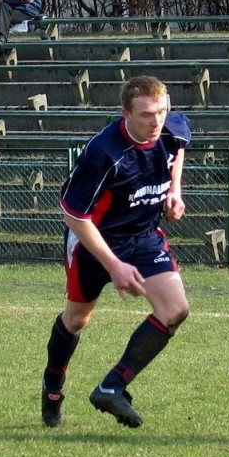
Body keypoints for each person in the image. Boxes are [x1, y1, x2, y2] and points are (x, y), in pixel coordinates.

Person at [41, 75, 191, 428]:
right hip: (95, 243)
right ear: (125, 113)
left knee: (175, 310)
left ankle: (112, 387)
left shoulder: (172, 129)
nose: (156, 122)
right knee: (77, 320)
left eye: (162, 111)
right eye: (146, 115)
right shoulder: (104, 152)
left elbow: (179, 147)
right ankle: (52, 387)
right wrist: (114, 266)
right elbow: (74, 215)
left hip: (142, 236)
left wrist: (174, 190)